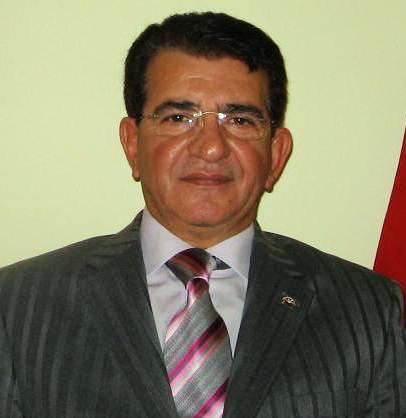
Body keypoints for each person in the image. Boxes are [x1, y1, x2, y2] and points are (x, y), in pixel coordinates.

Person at [0, 11, 405, 418]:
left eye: (240, 120)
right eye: (178, 118)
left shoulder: (368, 311)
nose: (211, 147)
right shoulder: (18, 306)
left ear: (276, 153)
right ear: (132, 144)